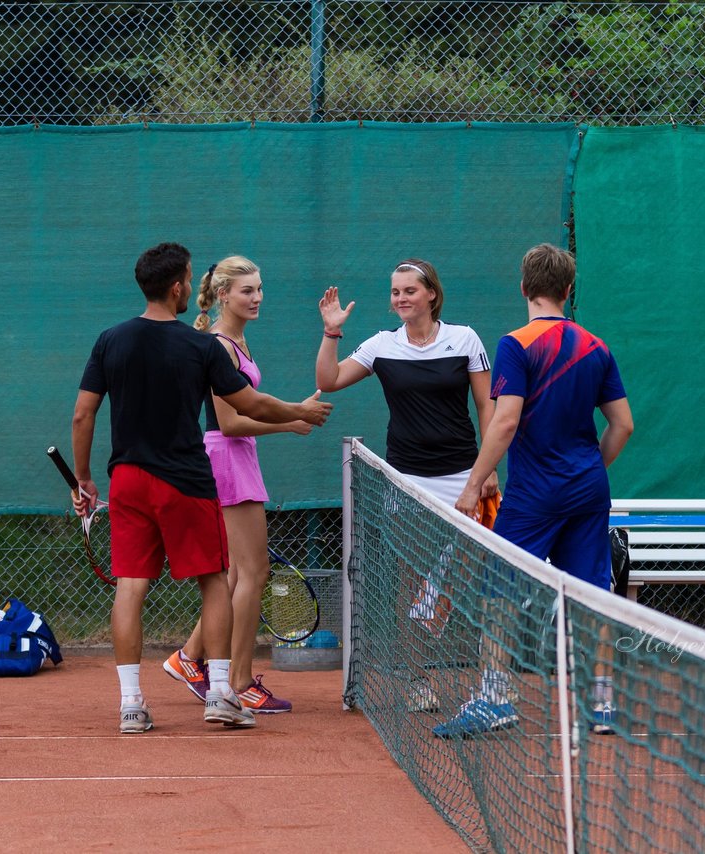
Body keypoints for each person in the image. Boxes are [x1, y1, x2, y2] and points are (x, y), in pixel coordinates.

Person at [71, 241, 332, 734]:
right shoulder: (201, 347)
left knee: (131, 588)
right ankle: (219, 694)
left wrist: (84, 478)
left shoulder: (110, 340)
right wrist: (299, 413)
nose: (194, 287)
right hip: (186, 482)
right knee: (216, 582)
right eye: (190, 279)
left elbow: (83, 413)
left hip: (126, 481)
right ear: (177, 287)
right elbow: (249, 404)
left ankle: (131, 706)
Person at [438, 242, 634, 738]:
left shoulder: (516, 344)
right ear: (568, 290)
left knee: (500, 593)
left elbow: (504, 422)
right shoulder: (597, 346)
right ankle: (602, 704)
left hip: (534, 494)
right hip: (588, 489)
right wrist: (589, 467)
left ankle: (494, 699)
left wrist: (474, 482)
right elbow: (623, 426)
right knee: (593, 592)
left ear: (524, 287)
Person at [316, 258, 498, 708]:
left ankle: (491, 681)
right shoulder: (382, 345)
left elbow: (487, 407)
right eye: (395, 291)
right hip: (406, 480)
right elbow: (328, 379)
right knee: (410, 583)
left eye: (409, 291)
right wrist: (331, 332)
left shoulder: (466, 339)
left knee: (477, 579)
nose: (401, 298)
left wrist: (488, 470)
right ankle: (418, 681)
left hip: (464, 479)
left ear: (431, 294)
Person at [162, 255, 309, 715]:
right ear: (223, 294)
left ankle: (188, 658)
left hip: (236, 457)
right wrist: (292, 420)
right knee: (254, 572)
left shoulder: (236, 340)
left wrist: (289, 416)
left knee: (234, 573)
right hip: (226, 456)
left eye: (260, 288)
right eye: (247, 290)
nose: (257, 297)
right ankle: (241, 681)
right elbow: (228, 423)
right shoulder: (219, 345)